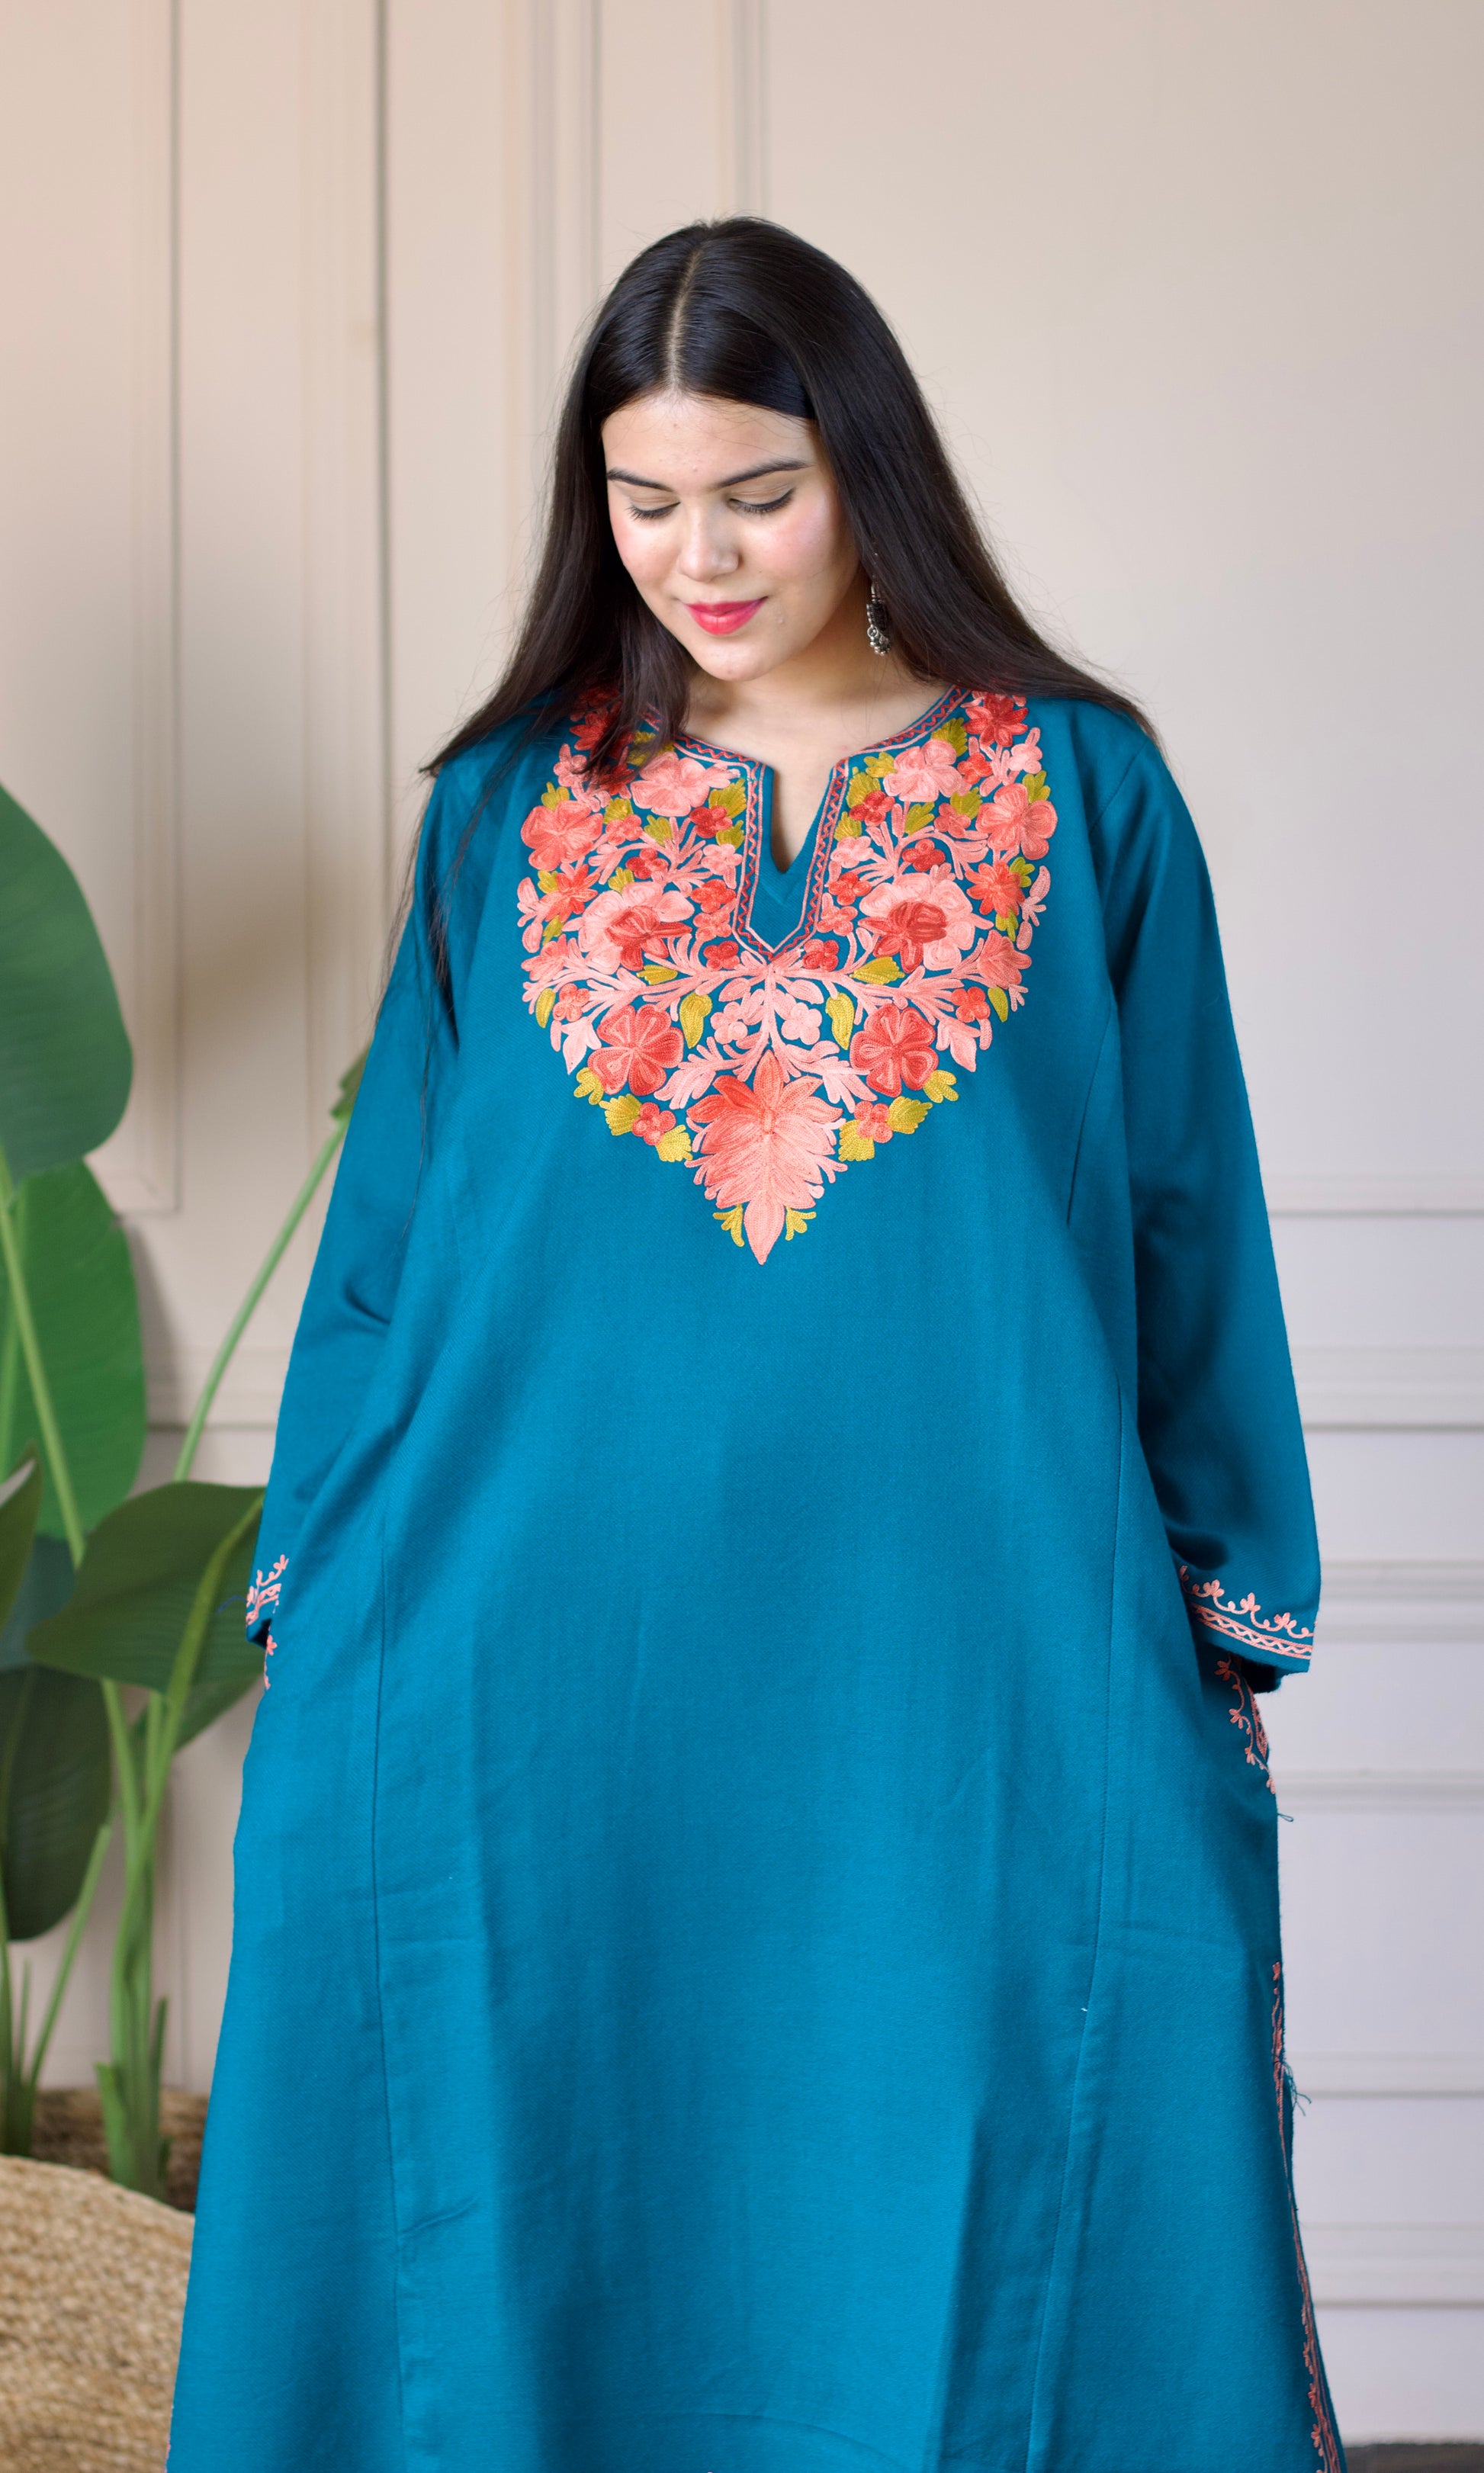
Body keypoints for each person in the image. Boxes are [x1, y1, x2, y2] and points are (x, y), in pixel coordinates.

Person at [170, 218, 1344, 2473]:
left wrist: (1215, 1618)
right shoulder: (506, 808)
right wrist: (319, 1609)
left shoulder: (1081, 790)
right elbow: (389, 1257)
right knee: (530, 2202)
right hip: (526, 1668)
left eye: (757, 495)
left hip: (969, 1664)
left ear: (866, 473)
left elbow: (1184, 1217)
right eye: (643, 501)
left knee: (986, 2179)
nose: (696, 557)